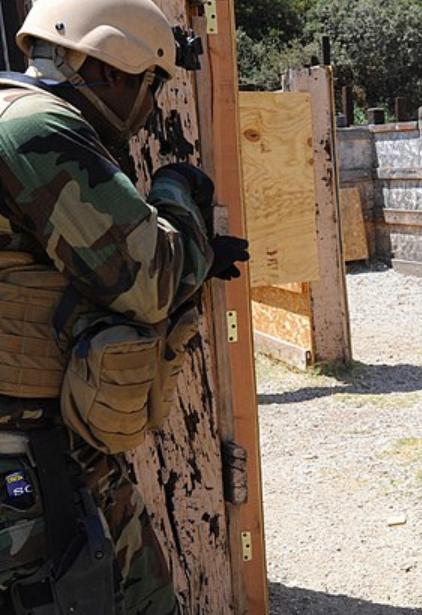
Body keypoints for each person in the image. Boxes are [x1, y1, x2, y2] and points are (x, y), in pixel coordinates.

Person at [0, 0, 248, 612]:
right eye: (148, 86)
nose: (146, 112)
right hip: (27, 461)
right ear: (109, 67)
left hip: (50, 452)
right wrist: (175, 189)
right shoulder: (34, 127)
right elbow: (151, 279)